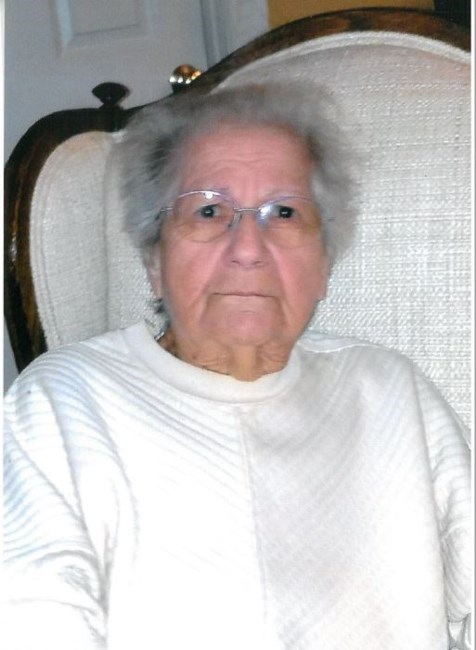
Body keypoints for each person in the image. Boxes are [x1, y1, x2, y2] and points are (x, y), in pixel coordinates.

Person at [3, 84, 470, 650]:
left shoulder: (393, 394)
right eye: (208, 210)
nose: (248, 248)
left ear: (324, 264)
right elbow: (32, 616)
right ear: (154, 260)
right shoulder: (64, 405)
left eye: (285, 212)